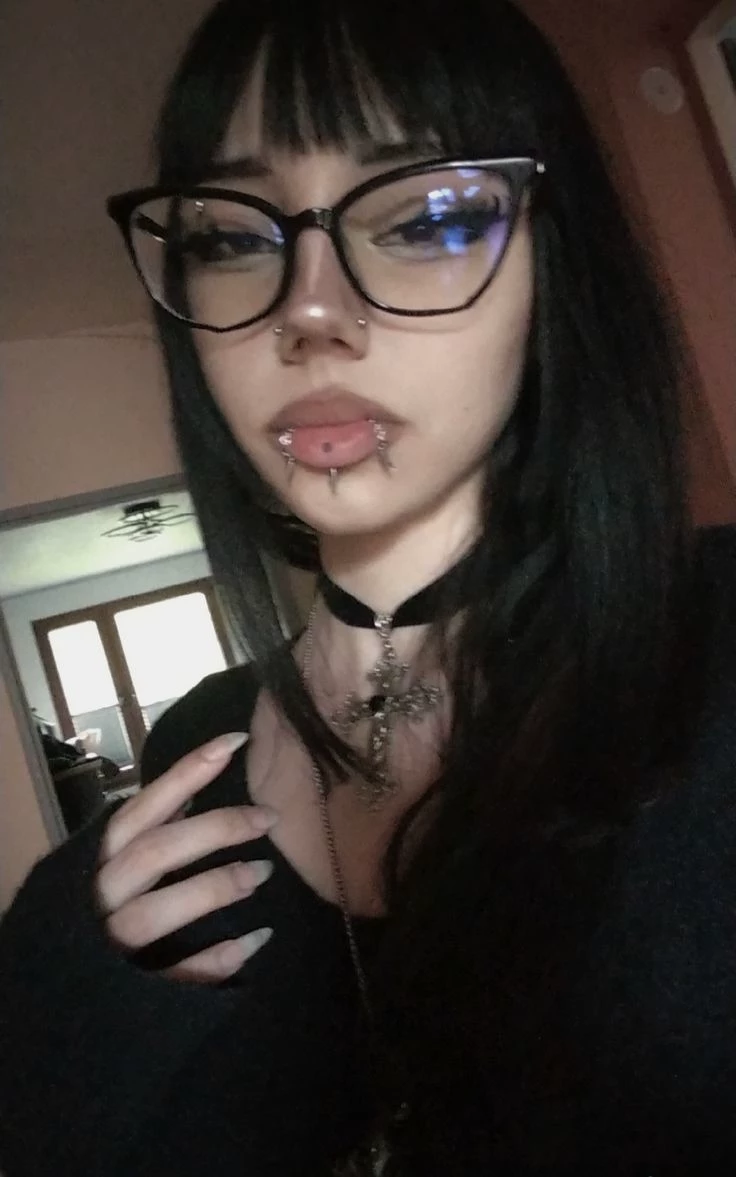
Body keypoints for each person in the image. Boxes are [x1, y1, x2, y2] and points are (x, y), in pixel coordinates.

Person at [1, 0, 735, 1173]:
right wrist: (64, 1017)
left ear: (556, 258)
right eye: (232, 237)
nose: (309, 312)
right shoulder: (193, 761)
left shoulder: (716, 643)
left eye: (426, 217)